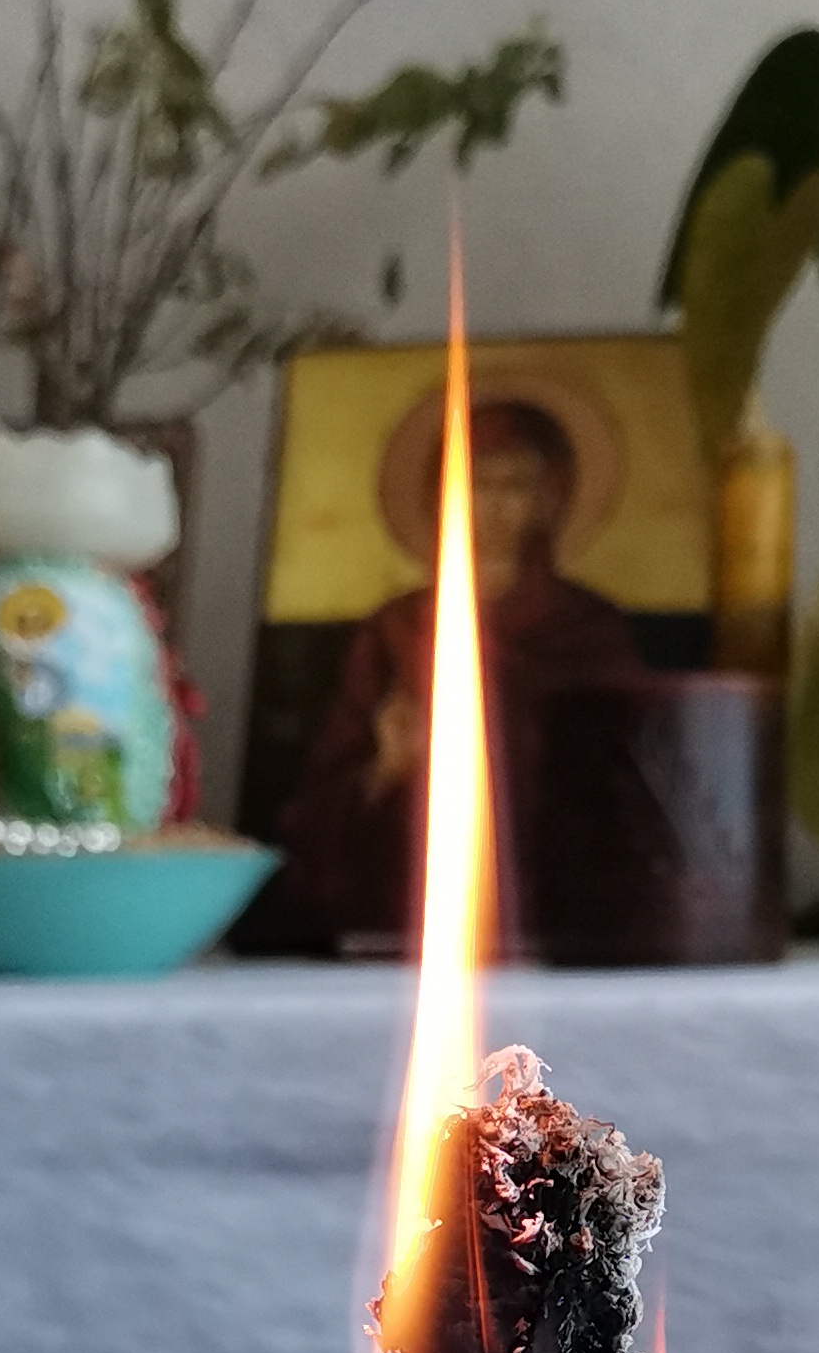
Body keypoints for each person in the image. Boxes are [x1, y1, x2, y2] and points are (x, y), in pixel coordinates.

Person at [276, 396, 645, 952]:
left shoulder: (589, 629)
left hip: (556, 905)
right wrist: (386, 765)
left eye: (515, 486)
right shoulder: (396, 629)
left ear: (549, 498)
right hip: (410, 906)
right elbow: (326, 794)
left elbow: (626, 780)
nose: (493, 504)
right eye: (477, 483)